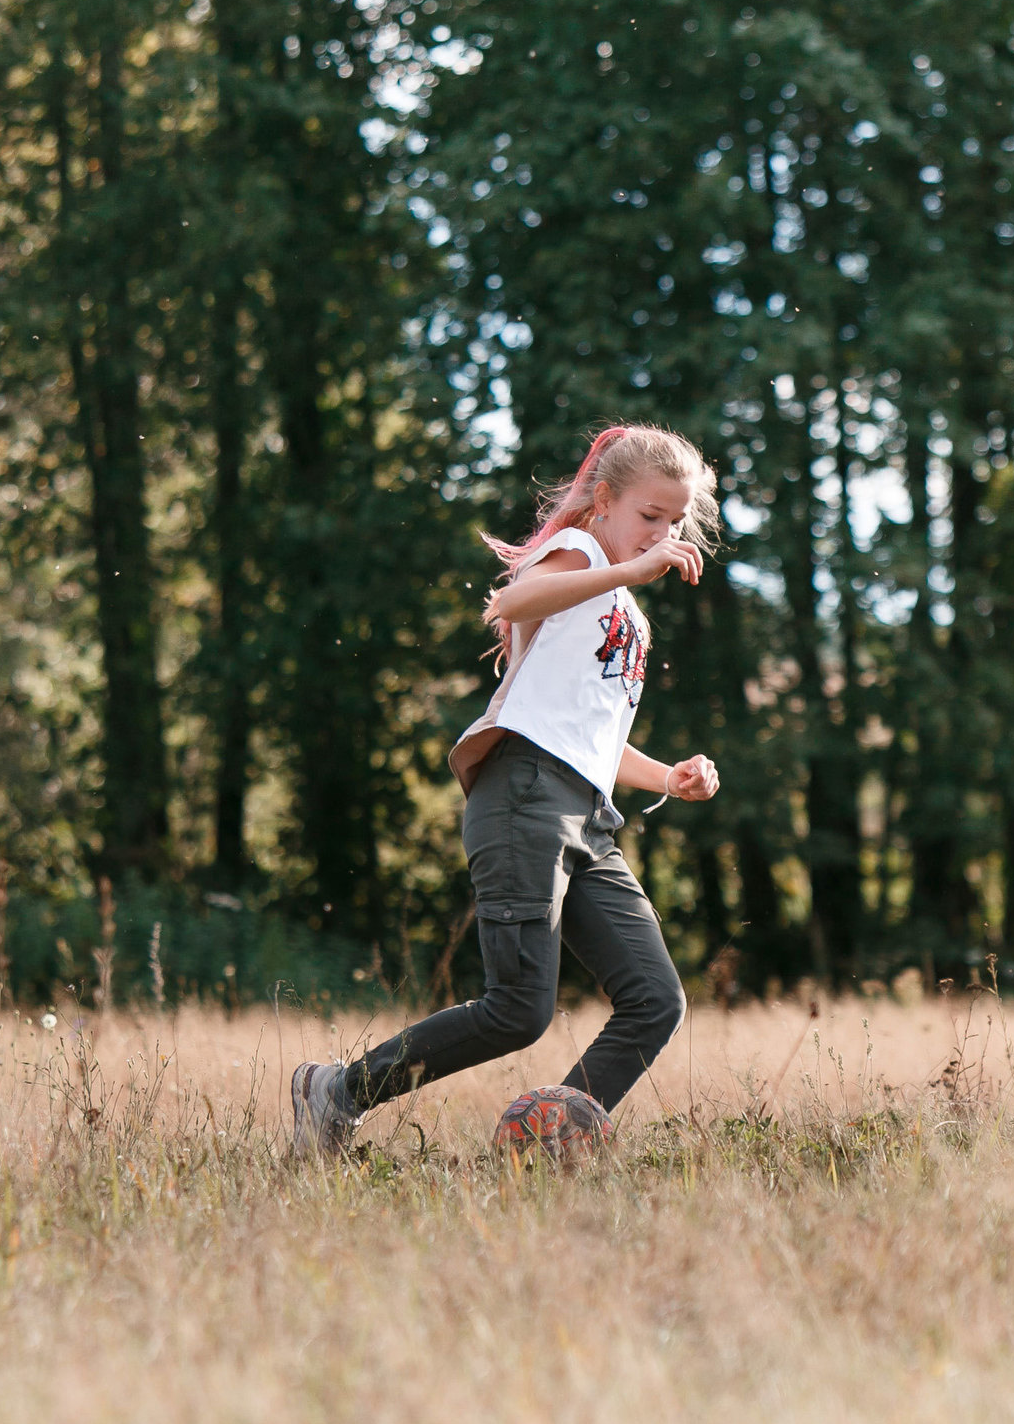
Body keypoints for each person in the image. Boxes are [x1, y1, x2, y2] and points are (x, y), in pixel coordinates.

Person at [292, 425, 724, 1156]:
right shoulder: (584, 555)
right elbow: (512, 600)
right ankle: (336, 1092)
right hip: (524, 794)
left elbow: (588, 735)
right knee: (519, 1008)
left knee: (655, 999)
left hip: (585, 815)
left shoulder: (625, 607)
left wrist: (668, 777)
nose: (665, 533)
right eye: (651, 516)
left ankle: (550, 1139)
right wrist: (632, 569)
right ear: (606, 500)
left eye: (676, 522)